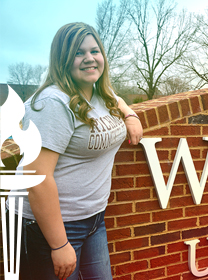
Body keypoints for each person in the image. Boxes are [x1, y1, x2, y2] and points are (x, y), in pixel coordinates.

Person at [8, 22, 143, 280]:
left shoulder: (98, 92)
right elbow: (37, 179)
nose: (89, 58)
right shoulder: (52, 104)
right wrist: (58, 245)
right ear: (62, 60)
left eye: (95, 51)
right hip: (48, 228)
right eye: (79, 53)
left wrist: (131, 115)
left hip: (93, 220)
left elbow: (118, 100)